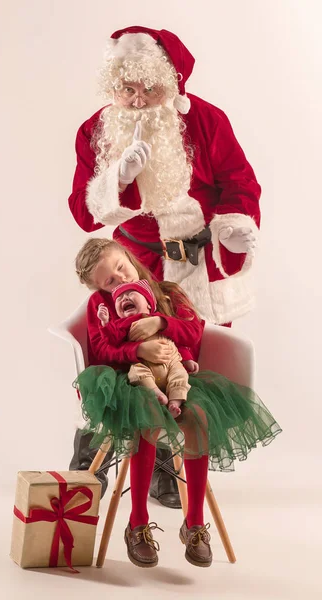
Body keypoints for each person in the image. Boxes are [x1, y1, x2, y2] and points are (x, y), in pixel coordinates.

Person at [68, 25, 261, 507]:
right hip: (133, 264)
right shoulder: (96, 129)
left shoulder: (206, 120)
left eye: (147, 88)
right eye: (125, 89)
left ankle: (163, 469)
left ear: (171, 83)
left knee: (187, 365)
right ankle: (90, 456)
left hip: (197, 264)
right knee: (121, 354)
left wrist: (235, 226)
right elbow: (82, 210)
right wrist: (120, 178)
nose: (135, 100)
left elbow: (240, 180)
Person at [73, 238, 281, 569]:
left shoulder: (168, 292)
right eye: (109, 281)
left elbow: (195, 333)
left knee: (197, 416)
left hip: (175, 377)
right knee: (149, 417)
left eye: (120, 268)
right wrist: (137, 351)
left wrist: (160, 323)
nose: (120, 280)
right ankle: (137, 523)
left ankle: (194, 524)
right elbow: (99, 350)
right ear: (99, 288)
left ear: (128, 256)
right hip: (129, 382)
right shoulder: (100, 305)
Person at [98, 279, 198, 417]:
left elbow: (177, 341)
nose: (124, 298)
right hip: (144, 364)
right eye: (119, 298)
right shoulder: (122, 325)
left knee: (180, 375)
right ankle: (155, 392)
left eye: (131, 293)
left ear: (149, 304)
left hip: (171, 362)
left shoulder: (160, 318)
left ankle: (175, 401)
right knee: (136, 372)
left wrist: (186, 359)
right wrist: (105, 323)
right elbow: (112, 341)